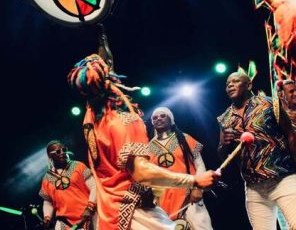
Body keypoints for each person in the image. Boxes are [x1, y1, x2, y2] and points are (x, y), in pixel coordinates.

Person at [68, 54, 220, 230]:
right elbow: (142, 173)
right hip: (136, 213)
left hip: (111, 213)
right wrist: (194, 181)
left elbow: (97, 76)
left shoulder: (91, 118)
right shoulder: (126, 121)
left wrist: (100, 34)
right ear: (111, 81)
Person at [217, 71, 296, 229]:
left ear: (249, 85)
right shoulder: (225, 118)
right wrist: (224, 144)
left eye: (236, 81)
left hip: (282, 178)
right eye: (227, 84)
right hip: (253, 187)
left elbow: (291, 134)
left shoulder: (269, 103)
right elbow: (222, 154)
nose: (230, 85)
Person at [149, 107, 213, 229]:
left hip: (188, 194)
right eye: (155, 118)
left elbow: (199, 165)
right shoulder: (148, 147)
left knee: (201, 226)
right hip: (162, 199)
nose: (158, 119)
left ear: (171, 119)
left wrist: (198, 188)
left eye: (163, 116)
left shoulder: (185, 138)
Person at [39, 141, 97, 230]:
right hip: (64, 222)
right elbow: (48, 201)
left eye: (64, 150)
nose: (62, 152)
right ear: (50, 156)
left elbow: (94, 187)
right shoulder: (46, 178)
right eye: (58, 151)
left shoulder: (79, 166)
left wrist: (89, 207)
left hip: (87, 216)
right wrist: (47, 218)